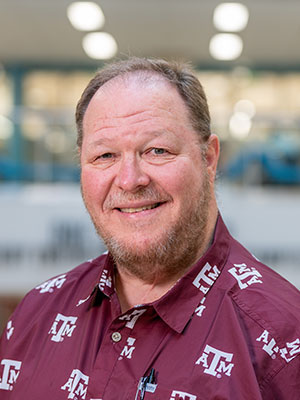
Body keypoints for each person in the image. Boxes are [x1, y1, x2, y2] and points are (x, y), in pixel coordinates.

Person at [0, 57, 300, 400]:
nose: (130, 180)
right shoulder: (35, 315)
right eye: (105, 156)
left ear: (209, 159)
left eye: (158, 150)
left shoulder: (285, 341)